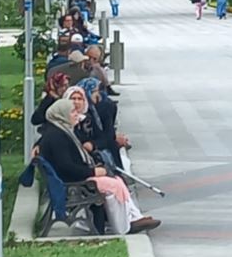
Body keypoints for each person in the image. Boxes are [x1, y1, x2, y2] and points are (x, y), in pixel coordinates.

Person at [37, 98, 159, 234]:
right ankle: (123, 227)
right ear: (62, 114)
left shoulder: (61, 131)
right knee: (113, 185)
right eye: (72, 112)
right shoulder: (57, 136)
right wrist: (93, 172)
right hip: (71, 182)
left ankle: (133, 218)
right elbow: (66, 167)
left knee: (117, 180)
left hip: (72, 177)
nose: (76, 114)